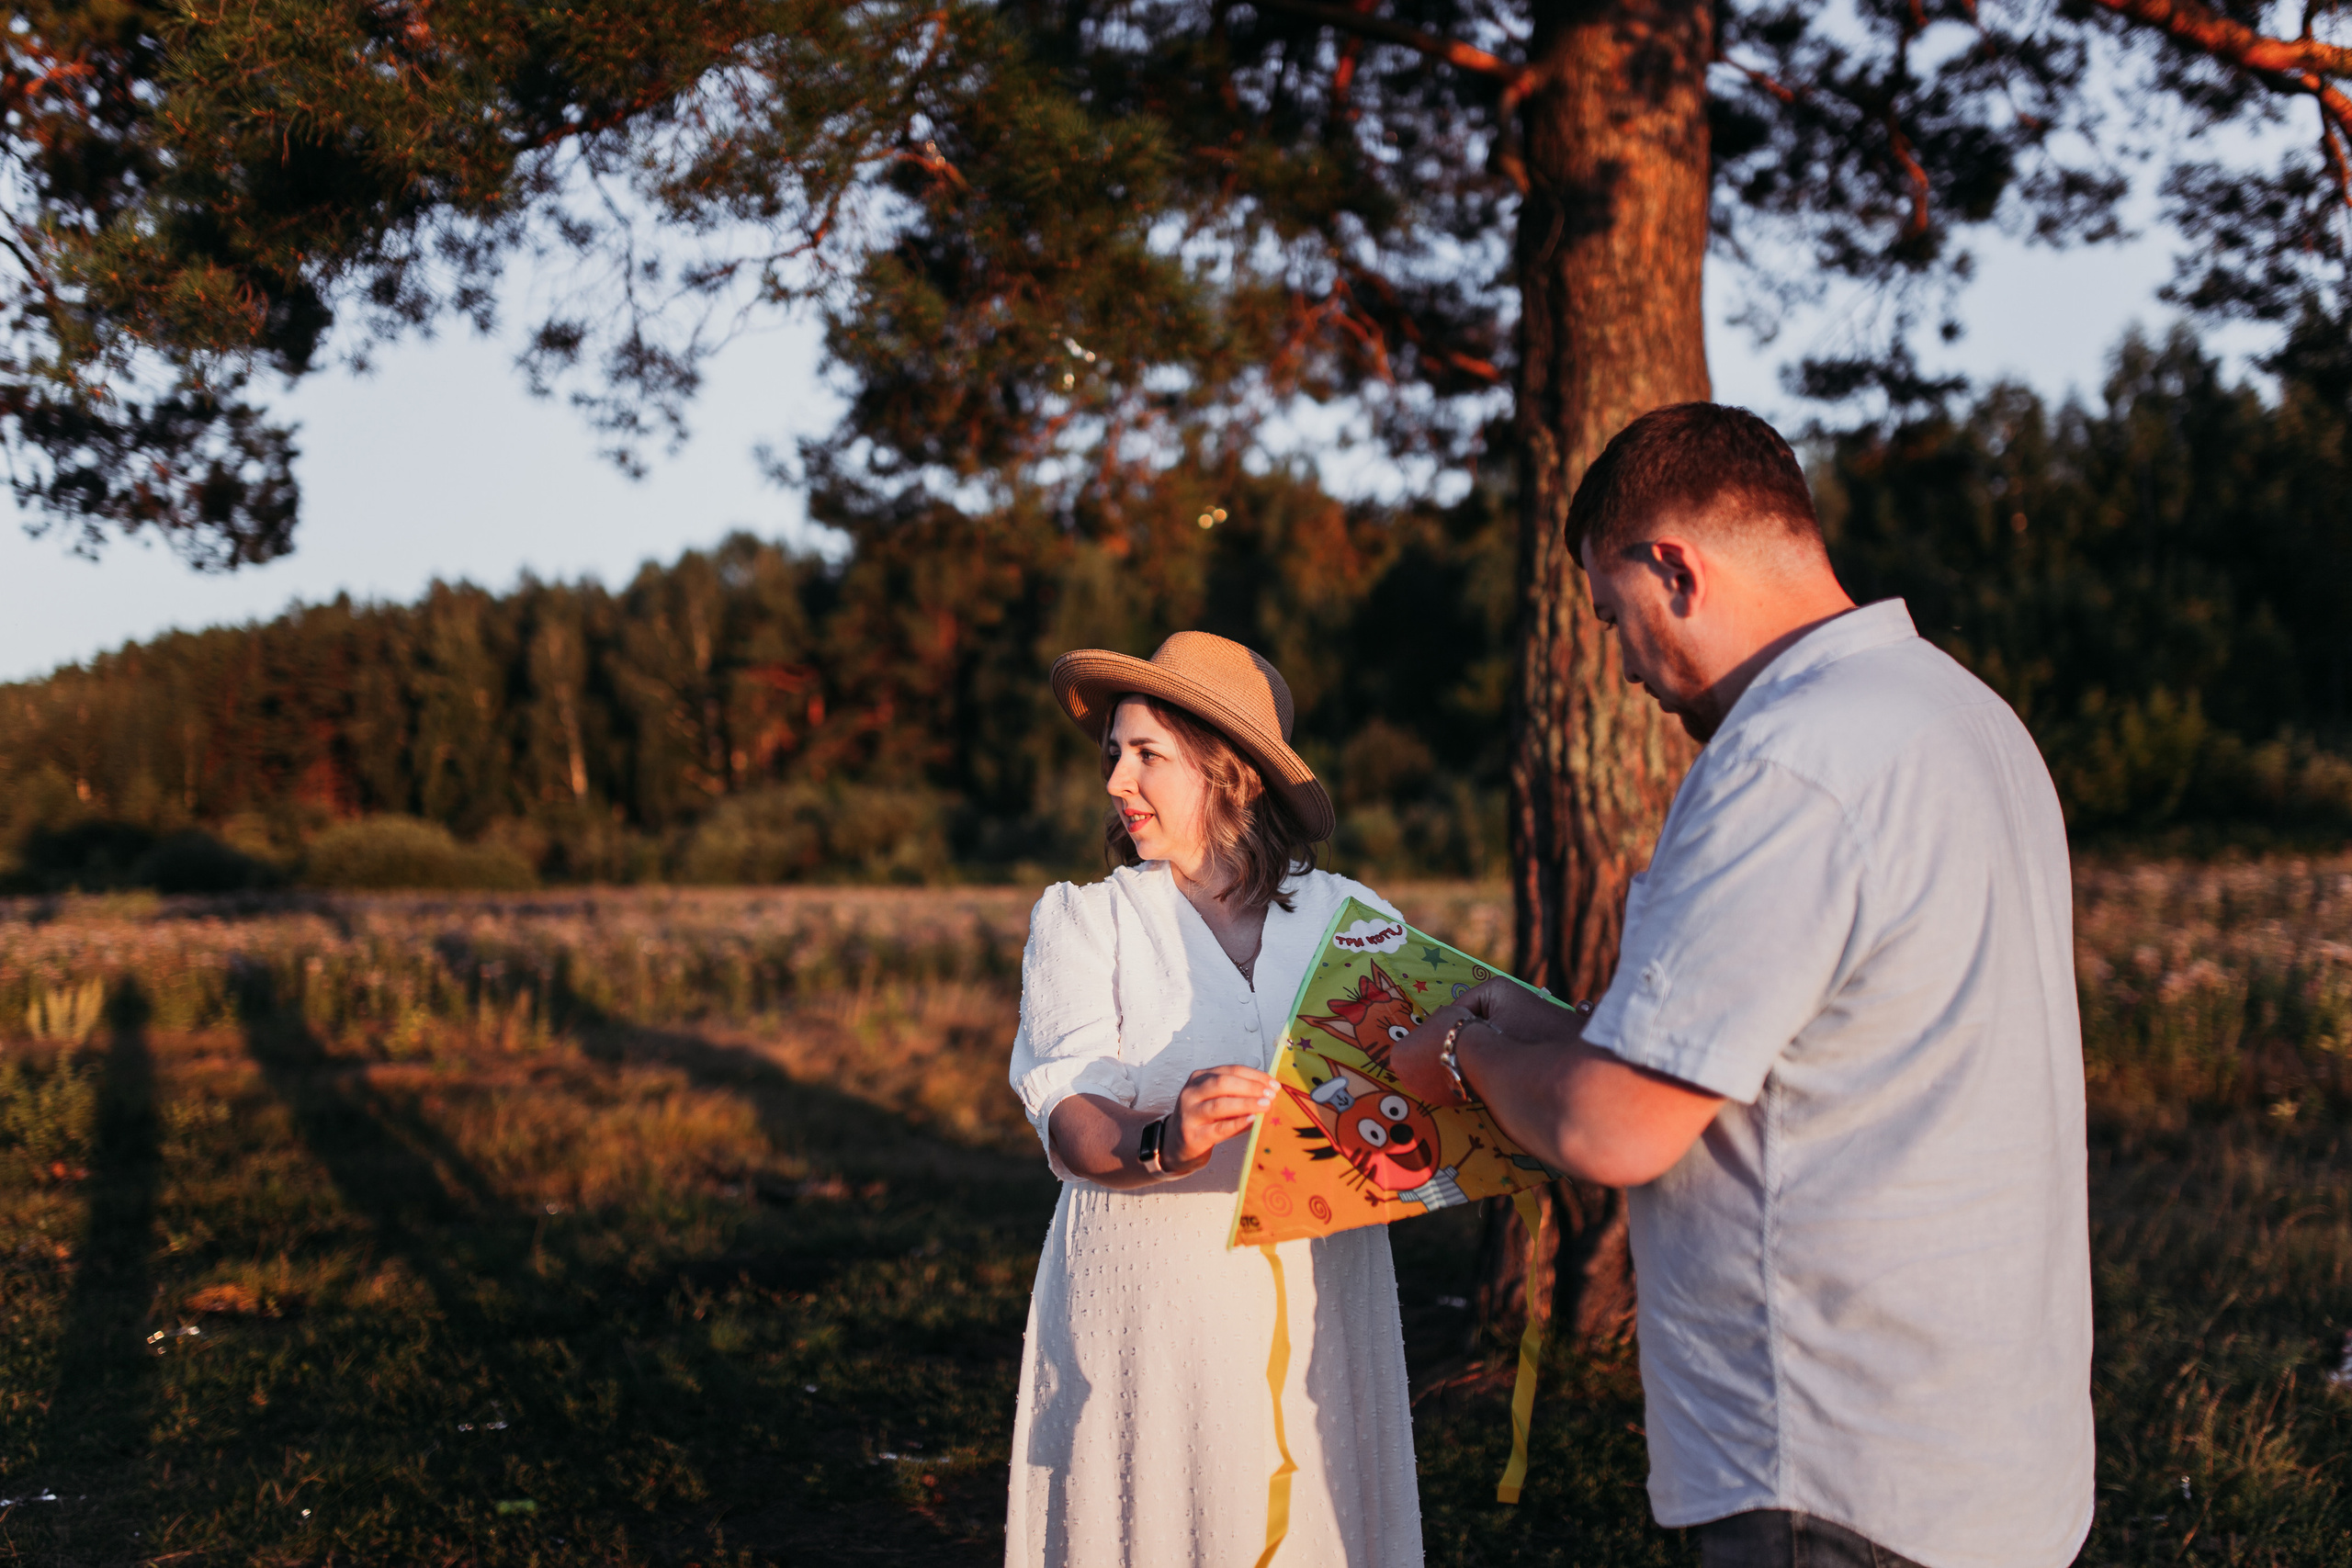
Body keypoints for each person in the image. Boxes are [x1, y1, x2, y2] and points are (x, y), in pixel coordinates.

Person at [1392, 404, 2095, 1568]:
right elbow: (1799, 1053)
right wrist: (1554, 1029)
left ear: (1673, 567)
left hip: (1829, 1464)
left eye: (1613, 616)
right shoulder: (1961, 716)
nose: (1621, 665)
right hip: (1991, 1455)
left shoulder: (1784, 761)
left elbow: (1615, 1130)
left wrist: (1462, 1060)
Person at [1005, 631, 1423, 1568]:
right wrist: (1164, 1138)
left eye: (1146, 754)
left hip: (1326, 1298)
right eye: (1113, 754)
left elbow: (1414, 1094)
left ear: (1228, 770)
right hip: (1156, 1307)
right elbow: (1070, 1120)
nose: (1116, 781)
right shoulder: (1087, 919)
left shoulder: (1350, 922)